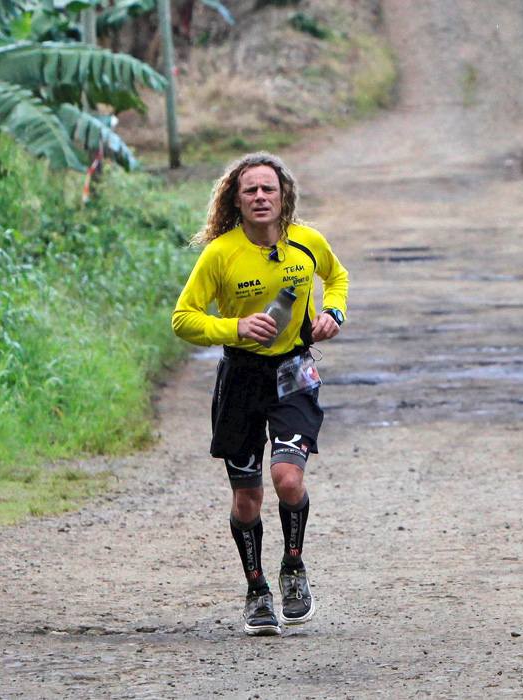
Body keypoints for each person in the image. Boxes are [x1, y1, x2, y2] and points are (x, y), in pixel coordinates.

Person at [172, 152, 349, 636]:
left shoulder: (307, 243)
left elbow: (336, 278)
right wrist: (235, 326)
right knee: (247, 499)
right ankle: (257, 591)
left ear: (283, 194)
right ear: (236, 199)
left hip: (293, 372)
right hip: (242, 379)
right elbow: (183, 319)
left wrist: (333, 314)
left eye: (268, 188)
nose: (260, 197)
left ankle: (293, 568)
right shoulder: (220, 254)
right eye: (250, 190)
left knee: (288, 480)